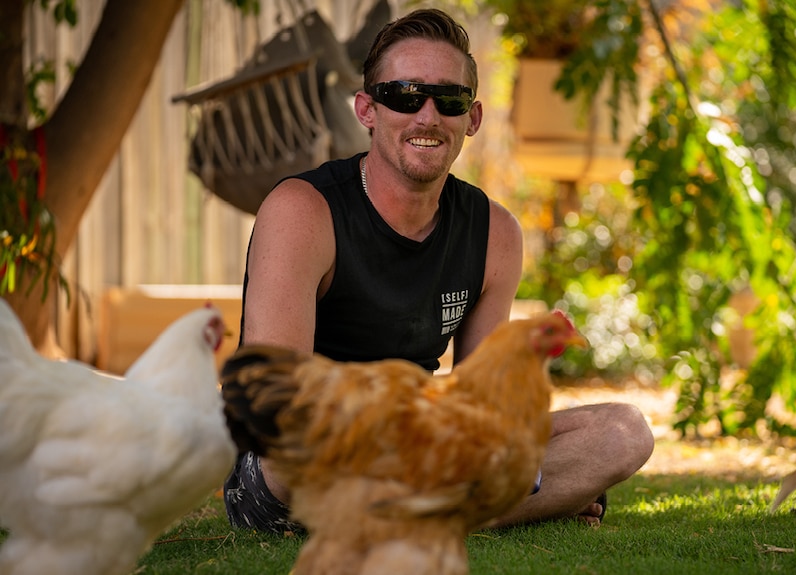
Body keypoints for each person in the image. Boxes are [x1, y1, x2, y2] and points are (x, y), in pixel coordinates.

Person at [222, 7, 654, 534]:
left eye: (447, 100)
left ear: (470, 118)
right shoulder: (303, 210)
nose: (427, 117)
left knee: (623, 432)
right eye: (405, 96)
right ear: (367, 109)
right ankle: (497, 503)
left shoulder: (495, 232)